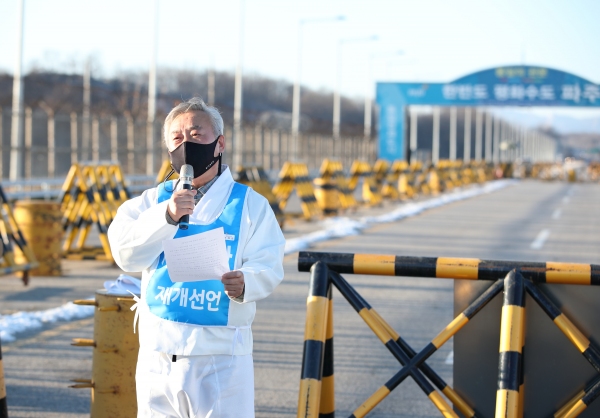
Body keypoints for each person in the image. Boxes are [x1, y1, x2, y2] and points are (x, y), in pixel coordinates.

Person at [107, 97, 285, 418]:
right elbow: (125, 253)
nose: (186, 143)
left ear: (220, 143)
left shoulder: (249, 205)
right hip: (159, 354)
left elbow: (269, 262)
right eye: (177, 138)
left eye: (196, 134)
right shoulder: (152, 202)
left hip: (221, 355)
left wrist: (247, 282)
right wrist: (167, 215)